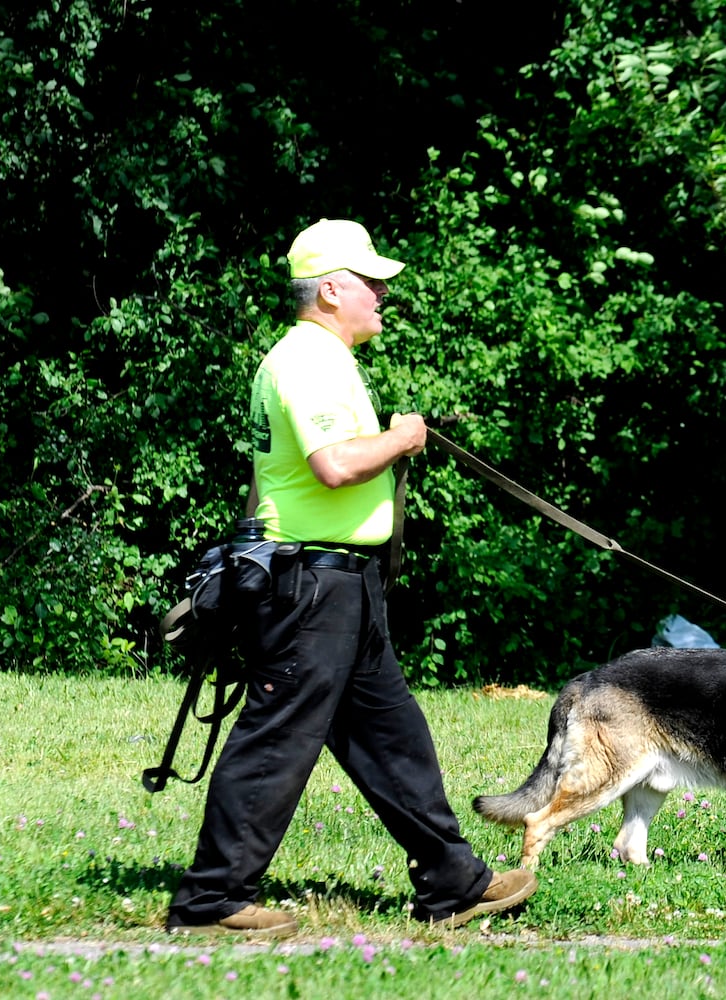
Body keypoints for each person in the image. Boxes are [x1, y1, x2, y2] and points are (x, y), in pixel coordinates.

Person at [165, 219, 535, 935]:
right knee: (277, 738)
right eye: (371, 281)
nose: (382, 293)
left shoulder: (322, 357)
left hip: (340, 583)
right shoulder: (308, 360)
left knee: (392, 736)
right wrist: (402, 438)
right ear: (332, 289)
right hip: (310, 584)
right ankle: (210, 899)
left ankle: (453, 882)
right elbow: (334, 466)